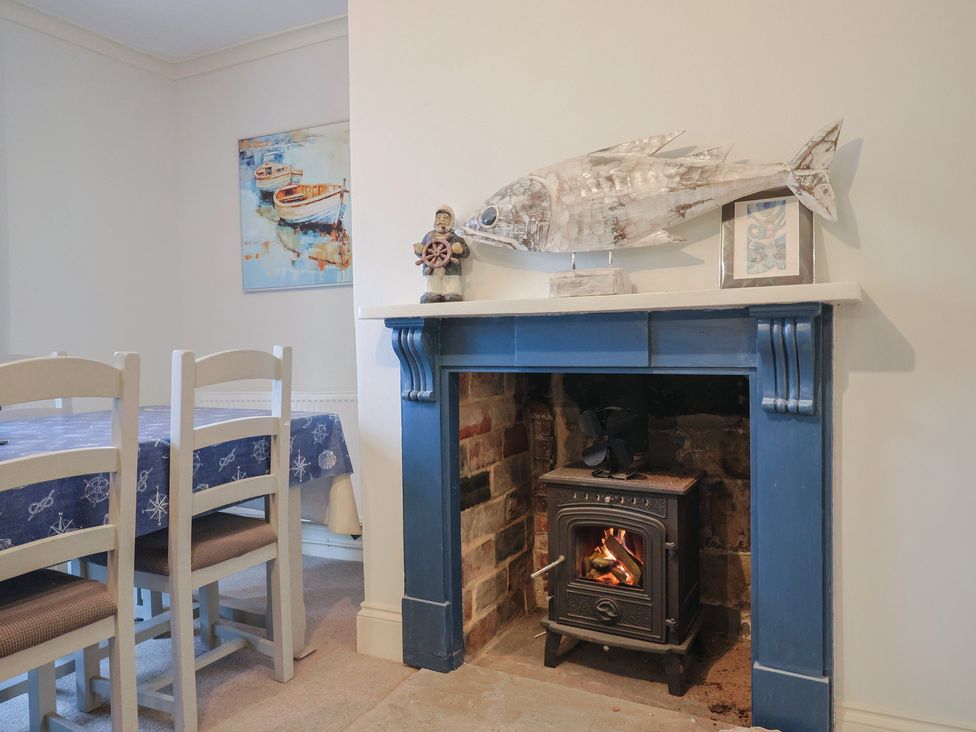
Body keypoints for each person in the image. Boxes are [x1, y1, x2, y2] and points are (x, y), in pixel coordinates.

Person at [413, 205, 470, 303]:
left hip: (450, 268)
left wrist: (460, 250)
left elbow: (466, 252)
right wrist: (419, 250)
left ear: (451, 222)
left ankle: (452, 293)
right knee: (432, 282)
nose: (441, 220)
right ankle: (432, 294)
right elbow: (423, 252)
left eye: (445, 218)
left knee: (451, 282)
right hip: (432, 268)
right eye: (438, 218)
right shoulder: (429, 236)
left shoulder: (455, 237)